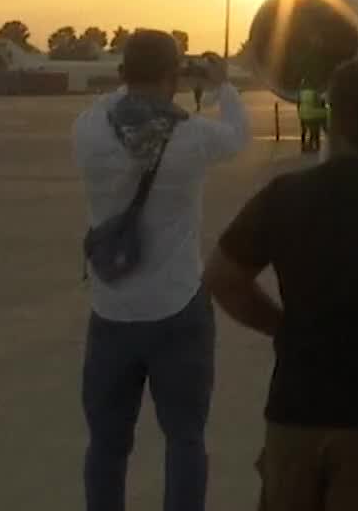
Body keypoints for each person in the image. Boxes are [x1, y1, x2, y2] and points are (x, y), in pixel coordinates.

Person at [205, 55, 358, 511]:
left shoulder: (285, 197)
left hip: (298, 412)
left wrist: (280, 326)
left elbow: (223, 278)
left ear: (334, 116)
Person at [74, 33, 249, 511]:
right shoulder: (191, 137)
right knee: (185, 439)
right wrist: (221, 87)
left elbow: (113, 102)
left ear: (122, 73)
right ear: (174, 76)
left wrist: (133, 81)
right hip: (176, 306)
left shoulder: (89, 130)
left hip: (111, 310)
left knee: (107, 445)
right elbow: (238, 136)